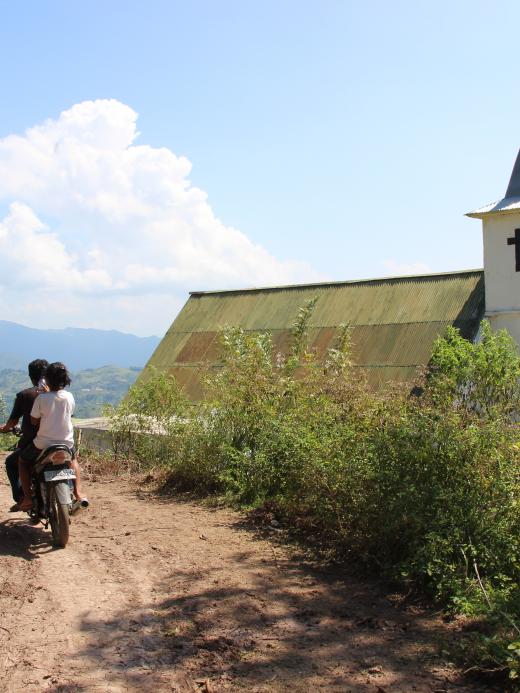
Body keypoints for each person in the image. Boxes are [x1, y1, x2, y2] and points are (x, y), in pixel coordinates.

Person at [18, 362, 83, 511]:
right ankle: (78, 492)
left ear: (46, 380)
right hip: (66, 443)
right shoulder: (69, 396)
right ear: (65, 380)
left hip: (43, 444)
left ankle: (27, 499)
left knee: (23, 461)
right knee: (73, 461)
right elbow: (70, 413)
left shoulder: (41, 398)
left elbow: (34, 421)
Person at [1, 359, 49, 511]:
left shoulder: (25, 395)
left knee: (11, 462)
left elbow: (13, 421)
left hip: (33, 444)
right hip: (60, 442)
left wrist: (4, 428)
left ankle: (23, 498)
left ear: (30, 376)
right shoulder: (59, 395)